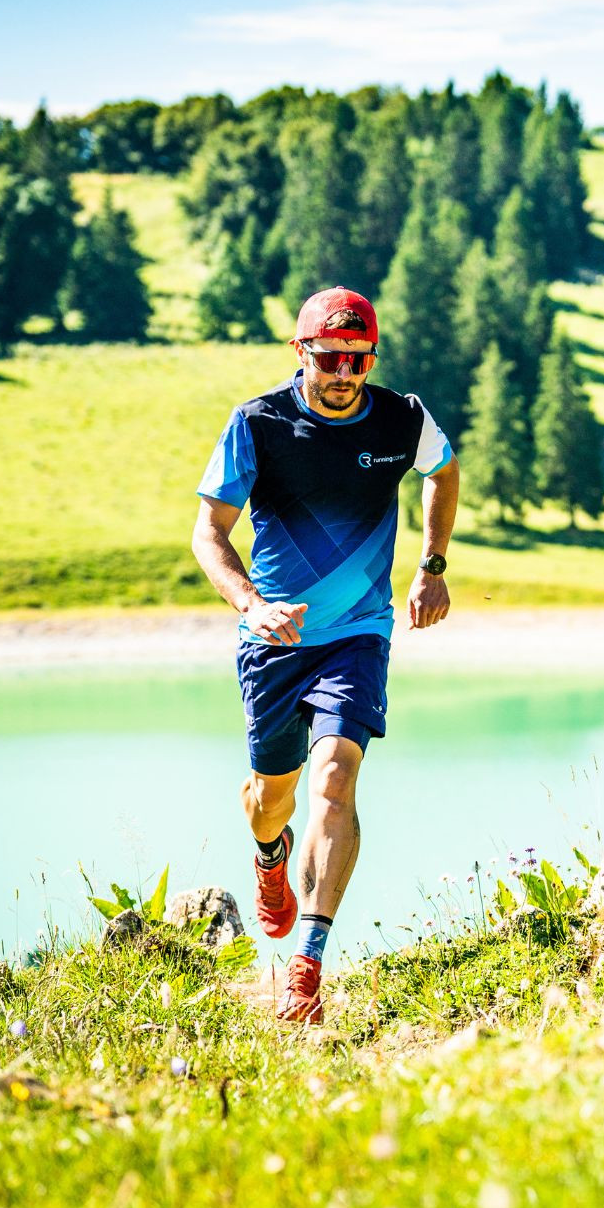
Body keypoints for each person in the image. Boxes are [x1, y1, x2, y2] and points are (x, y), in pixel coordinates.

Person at [191, 286, 460, 1023]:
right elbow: (207, 534)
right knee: (269, 800)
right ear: (300, 352)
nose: (345, 372)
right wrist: (251, 604)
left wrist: (431, 567)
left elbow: (443, 471)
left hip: (358, 636)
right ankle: (270, 855)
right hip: (273, 641)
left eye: (358, 359)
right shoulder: (258, 424)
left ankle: (307, 967)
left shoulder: (403, 417)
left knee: (336, 781)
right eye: (330, 357)